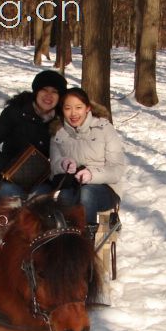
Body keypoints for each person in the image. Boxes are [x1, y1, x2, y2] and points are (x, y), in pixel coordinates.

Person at [0, 70, 67, 204]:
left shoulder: (61, 121)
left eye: (54, 91)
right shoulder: (16, 112)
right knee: (13, 201)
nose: (49, 95)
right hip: (9, 181)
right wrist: (11, 167)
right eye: (44, 90)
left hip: (42, 182)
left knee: (44, 207)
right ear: (36, 91)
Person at [50, 87, 126, 230]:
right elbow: (54, 165)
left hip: (105, 189)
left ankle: (86, 241)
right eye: (68, 108)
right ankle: (63, 241)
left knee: (87, 194)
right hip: (72, 186)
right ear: (62, 110)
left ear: (87, 108)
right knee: (63, 198)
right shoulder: (58, 133)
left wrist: (91, 175)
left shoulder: (104, 129)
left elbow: (117, 169)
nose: (73, 113)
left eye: (78, 107)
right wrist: (63, 163)